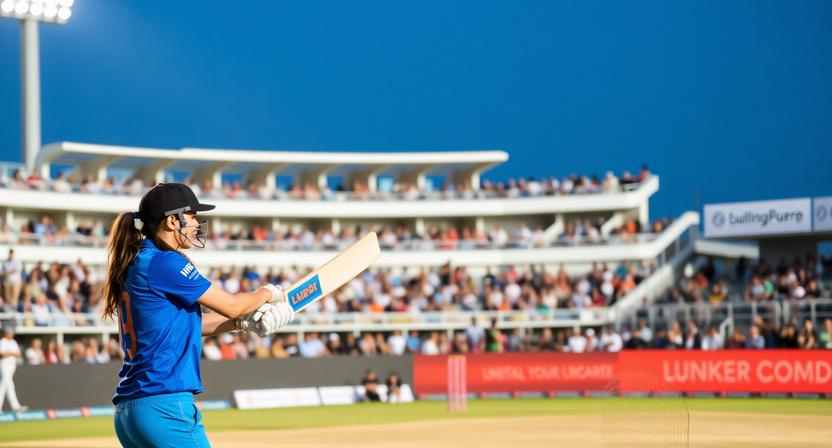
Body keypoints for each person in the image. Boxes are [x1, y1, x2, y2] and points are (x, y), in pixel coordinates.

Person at [103, 183, 295, 447]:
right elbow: (233, 305)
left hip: (130, 411)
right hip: (165, 405)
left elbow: (186, 323)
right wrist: (268, 293)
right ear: (172, 221)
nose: (196, 224)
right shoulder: (166, 261)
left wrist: (241, 323)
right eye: (191, 216)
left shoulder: (138, 261)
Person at [0, 326, 26, 411]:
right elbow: (3, 354)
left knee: (10, 385)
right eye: (10, 332)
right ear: (6, 333)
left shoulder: (13, 342)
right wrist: (12, 353)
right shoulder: (2, 342)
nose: (12, 334)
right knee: (4, 384)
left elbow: (18, 354)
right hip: (4, 364)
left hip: (12, 365)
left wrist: (9, 353)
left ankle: (16, 407)